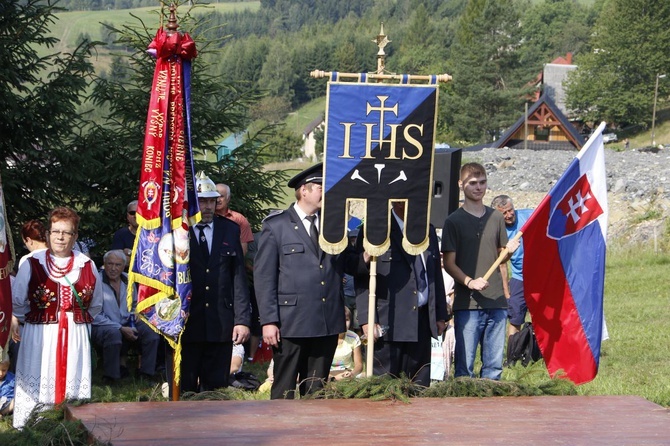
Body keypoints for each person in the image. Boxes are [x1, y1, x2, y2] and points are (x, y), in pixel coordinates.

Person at [254, 163, 345, 399]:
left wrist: (368, 255)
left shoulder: (332, 225)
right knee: (284, 389)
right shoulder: (276, 226)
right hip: (290, 324)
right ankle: (281, 434)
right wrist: (269, 321)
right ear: (303, 191)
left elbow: (348, 264)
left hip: (325, 320)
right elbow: (264, 277)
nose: (324, 192)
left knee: (316, 391)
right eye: (319, 187)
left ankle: (312, 435)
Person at [11, 206, 103, 429]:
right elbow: (17, 301)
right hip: (40, 332)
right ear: (48, 234)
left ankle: (72, 426)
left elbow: (96, 305)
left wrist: (73, 320)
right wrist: (37, 317)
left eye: (67, 232)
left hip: (75, 334)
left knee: (73, 375)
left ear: (75, 236)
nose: (60, 237)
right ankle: (33, 426)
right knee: (39, 373)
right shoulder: (32, 262)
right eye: (56, 231)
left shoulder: (87, 264)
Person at [349, 202, 448, 386]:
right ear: (395, 201)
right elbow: (362, 277)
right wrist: (366, 318)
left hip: (422, 320)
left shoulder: (427, 230)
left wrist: (440, 312)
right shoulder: (376, 229)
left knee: (419, 387)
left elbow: (435, 275)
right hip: (388, 323)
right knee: (386, 389)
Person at [442, 163, 519, 380]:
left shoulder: (496, 217)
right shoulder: (453, 221)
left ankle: (491, 411)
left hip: (496, 301)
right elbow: (448, 263)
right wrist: (468, 282)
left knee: (494, 368)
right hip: (467, 304)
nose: (478, 188)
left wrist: (510, 250)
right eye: (472, 183)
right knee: (464, 368)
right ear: (461, 185)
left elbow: (501, 257)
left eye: (482, 182)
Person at [180, 172, 251, 393]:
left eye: (212, 200)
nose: (208, 206)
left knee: (216, 389)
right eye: (202, 201)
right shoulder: (179, 231)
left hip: (221, 321)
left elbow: (238, 277)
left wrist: (242, 320)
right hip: (188, 321)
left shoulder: (229, 228)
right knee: (186, 387)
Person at [91, 249, 160, 384]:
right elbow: (94, 314)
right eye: (110, 264)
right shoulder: (96, 281)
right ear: (104, 264)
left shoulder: (128, 279)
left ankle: (146, 374)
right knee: (113, 334)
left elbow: (134, 304)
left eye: (118, 265)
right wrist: (120, 328)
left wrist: (137, 314)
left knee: (151, 333)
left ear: (124, 266)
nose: (113, 268)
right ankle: (111, 378)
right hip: (103, 325)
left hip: (127, 321)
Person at [490, 195, 533, 341]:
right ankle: (512, 356)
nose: (509, 215)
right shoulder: (495, 230)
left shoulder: (528, 215)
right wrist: (507, 294)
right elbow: (502, 264)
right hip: (519, 276)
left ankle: (542, 353)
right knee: (515, 318)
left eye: (510, 210)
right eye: (504, 213)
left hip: (540, 275)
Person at [215, 183, 254, 256]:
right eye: (215, 196)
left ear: (228, 199)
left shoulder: (239, 219)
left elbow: (242, 250)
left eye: (221, 196)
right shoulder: (206, 218)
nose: (218, 200)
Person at [329, 307, 363, 381]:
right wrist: (333, 377)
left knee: (366, 375)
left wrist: (352, 374)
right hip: (328, 375)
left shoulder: (354, 337)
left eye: (347, 320)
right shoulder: (325, 338)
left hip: (347, 373)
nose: (344, 323)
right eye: (340, 320)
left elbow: (359, 365)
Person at [111, 200, 138, 264]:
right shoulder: (120, 234)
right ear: (127, 216)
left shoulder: (152, 235)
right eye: (132, 213)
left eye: (139, 213)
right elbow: (118, 261)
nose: (135, 216)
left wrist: (130, 253)